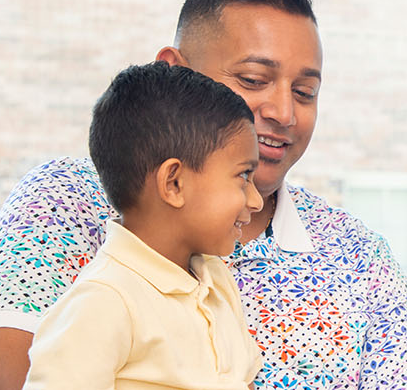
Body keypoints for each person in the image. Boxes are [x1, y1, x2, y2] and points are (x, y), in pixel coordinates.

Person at [0, 0, 407, 390]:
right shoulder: (63, 202)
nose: (284, 113)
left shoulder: (359, 258)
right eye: (253, 80)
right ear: (175, 73)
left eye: (305, 92)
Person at [24, 62, 265, 389]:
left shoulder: (216, 277)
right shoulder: (104, 301)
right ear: (174, 183)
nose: (256, 200)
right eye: (243, 177)